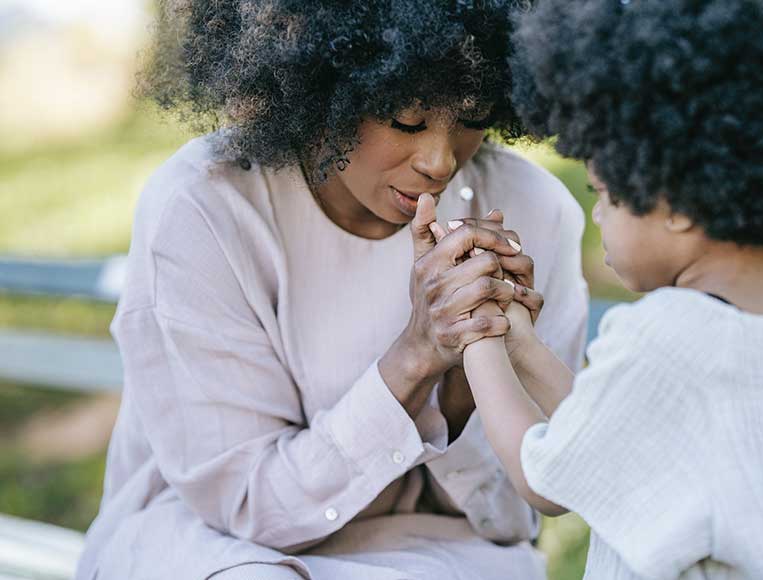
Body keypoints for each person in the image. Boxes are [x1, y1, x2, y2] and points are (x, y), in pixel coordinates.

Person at [75, 2, 588, 579]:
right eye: (406, 119)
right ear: (323, 85)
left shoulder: (537, 213)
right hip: (213, 543)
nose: (440, 161)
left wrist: (469, 387)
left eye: (472, 115)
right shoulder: (203, 207)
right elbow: (244, 504)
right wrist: (416, 357)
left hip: (442, 547)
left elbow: (515, 513)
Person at [455, 0, 763, 578]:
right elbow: (617, 442)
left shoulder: (666, 335)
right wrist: (521, 342)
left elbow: (545, 481)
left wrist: (478, 337)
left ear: (675, 207)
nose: (599, 219)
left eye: (604, 195)